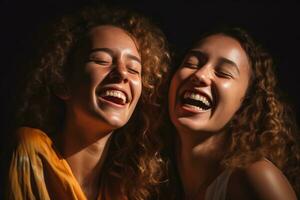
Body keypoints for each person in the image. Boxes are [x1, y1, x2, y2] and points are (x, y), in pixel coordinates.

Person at [4, 4, 170, 200]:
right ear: (62, 83)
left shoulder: (125, 189)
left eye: (134, 69)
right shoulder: (32, 151)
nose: (122, 74)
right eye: (101, 60)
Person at [165, 27, 299, 200]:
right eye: (192, 63)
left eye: (223, 73)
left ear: (246, 102)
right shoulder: (154, 178)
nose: (200, 75)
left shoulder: (255, 177)